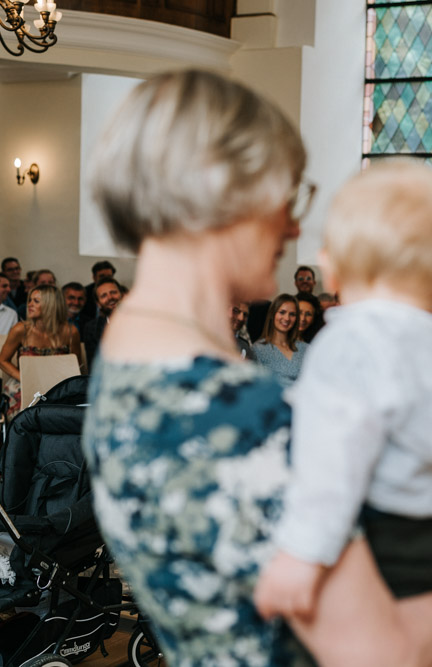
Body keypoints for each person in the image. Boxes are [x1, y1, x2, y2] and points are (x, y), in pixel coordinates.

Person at [79, 69, 325, 666]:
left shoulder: (130, 348)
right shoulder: (224, 402)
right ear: (218, 192)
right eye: (286, 196)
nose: (294, 226)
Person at [254, 162, 432, 667]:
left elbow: (329, 467)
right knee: (417, 648)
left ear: (333, 272)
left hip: (367, 539)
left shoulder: (343, 347)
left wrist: (299, 556)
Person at [0, 284, 83, 418]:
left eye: (36, 301)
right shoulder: (21, 329)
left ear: (51, 305)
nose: (30, 304)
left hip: (57, 384)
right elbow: (2, 360)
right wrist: (24, 377)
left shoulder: (70, 331)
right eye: (30, 300)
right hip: (24, 381)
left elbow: (75, 366)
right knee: (24, 404)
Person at [253, 294, 307, 387]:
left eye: (292, 314)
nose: (287, 318)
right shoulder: (258, 349)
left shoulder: (306, 348)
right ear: (272, 314)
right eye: (282, 312)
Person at [81, 277, 122, 366]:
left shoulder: (141, 321)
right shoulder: (91, 328)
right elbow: (94, 368)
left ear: (121, 294)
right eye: (104, 295)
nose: (110, 297)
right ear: (98, 304)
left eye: (113, 292)